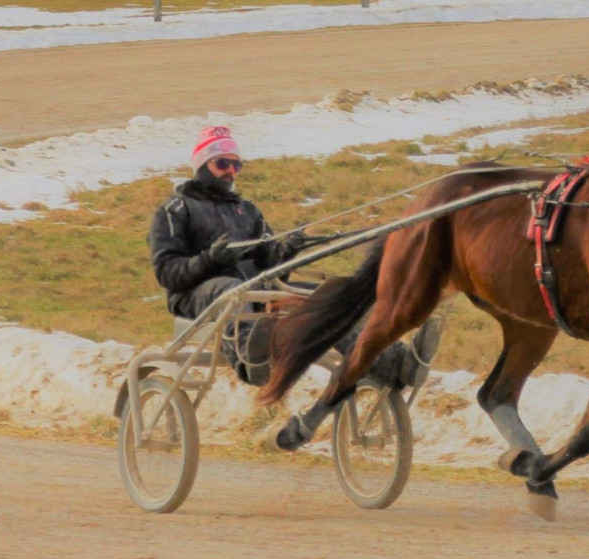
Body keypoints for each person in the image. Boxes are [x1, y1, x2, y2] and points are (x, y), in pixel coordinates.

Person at [148, 126, 442, 388]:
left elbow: (271, 264)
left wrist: (287, 249)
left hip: (253, 291)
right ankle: (249, 362)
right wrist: (209, 260)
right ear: (201, 164)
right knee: (230, 289)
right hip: (199, 295)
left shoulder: (247, 210)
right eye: (222, 163)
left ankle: (390, 361)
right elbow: (167, 272)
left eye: (236, 165)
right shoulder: (175, 210)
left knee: (330, 297)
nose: (231, 172)